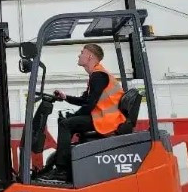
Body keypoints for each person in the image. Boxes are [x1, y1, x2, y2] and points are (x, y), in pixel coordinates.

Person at [41, 44, 125, 182]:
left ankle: (61, 170)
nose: (79, 55)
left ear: (90, 56)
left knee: (66, 124)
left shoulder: (99, 76)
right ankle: (63, 163)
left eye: (82, 52)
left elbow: (90, 105)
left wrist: (73, 117)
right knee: (67, 122)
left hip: (106, 120)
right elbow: (85, 100)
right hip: (102, 117)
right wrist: (65, 97)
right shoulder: (97, 75)